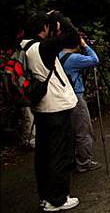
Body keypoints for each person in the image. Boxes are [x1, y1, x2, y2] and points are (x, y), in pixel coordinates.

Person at [23, 12, 80, 212]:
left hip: (41, 107)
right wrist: (61, 18)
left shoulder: (24, 47)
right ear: (44, 27)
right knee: (59, 155)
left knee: (44, 155)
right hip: (55, 106)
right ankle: (58, 199)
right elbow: (74, 38)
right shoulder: (43, 47)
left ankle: (46, 196)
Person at [59, 34, 102, 173]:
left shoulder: (58, 56)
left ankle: (71, 160)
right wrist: (85, 46)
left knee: (70, 131)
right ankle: (84, 162)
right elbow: (95, 60)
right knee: (83, 130)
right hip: (76, 97)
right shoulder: (74, 58)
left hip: (62, 98)